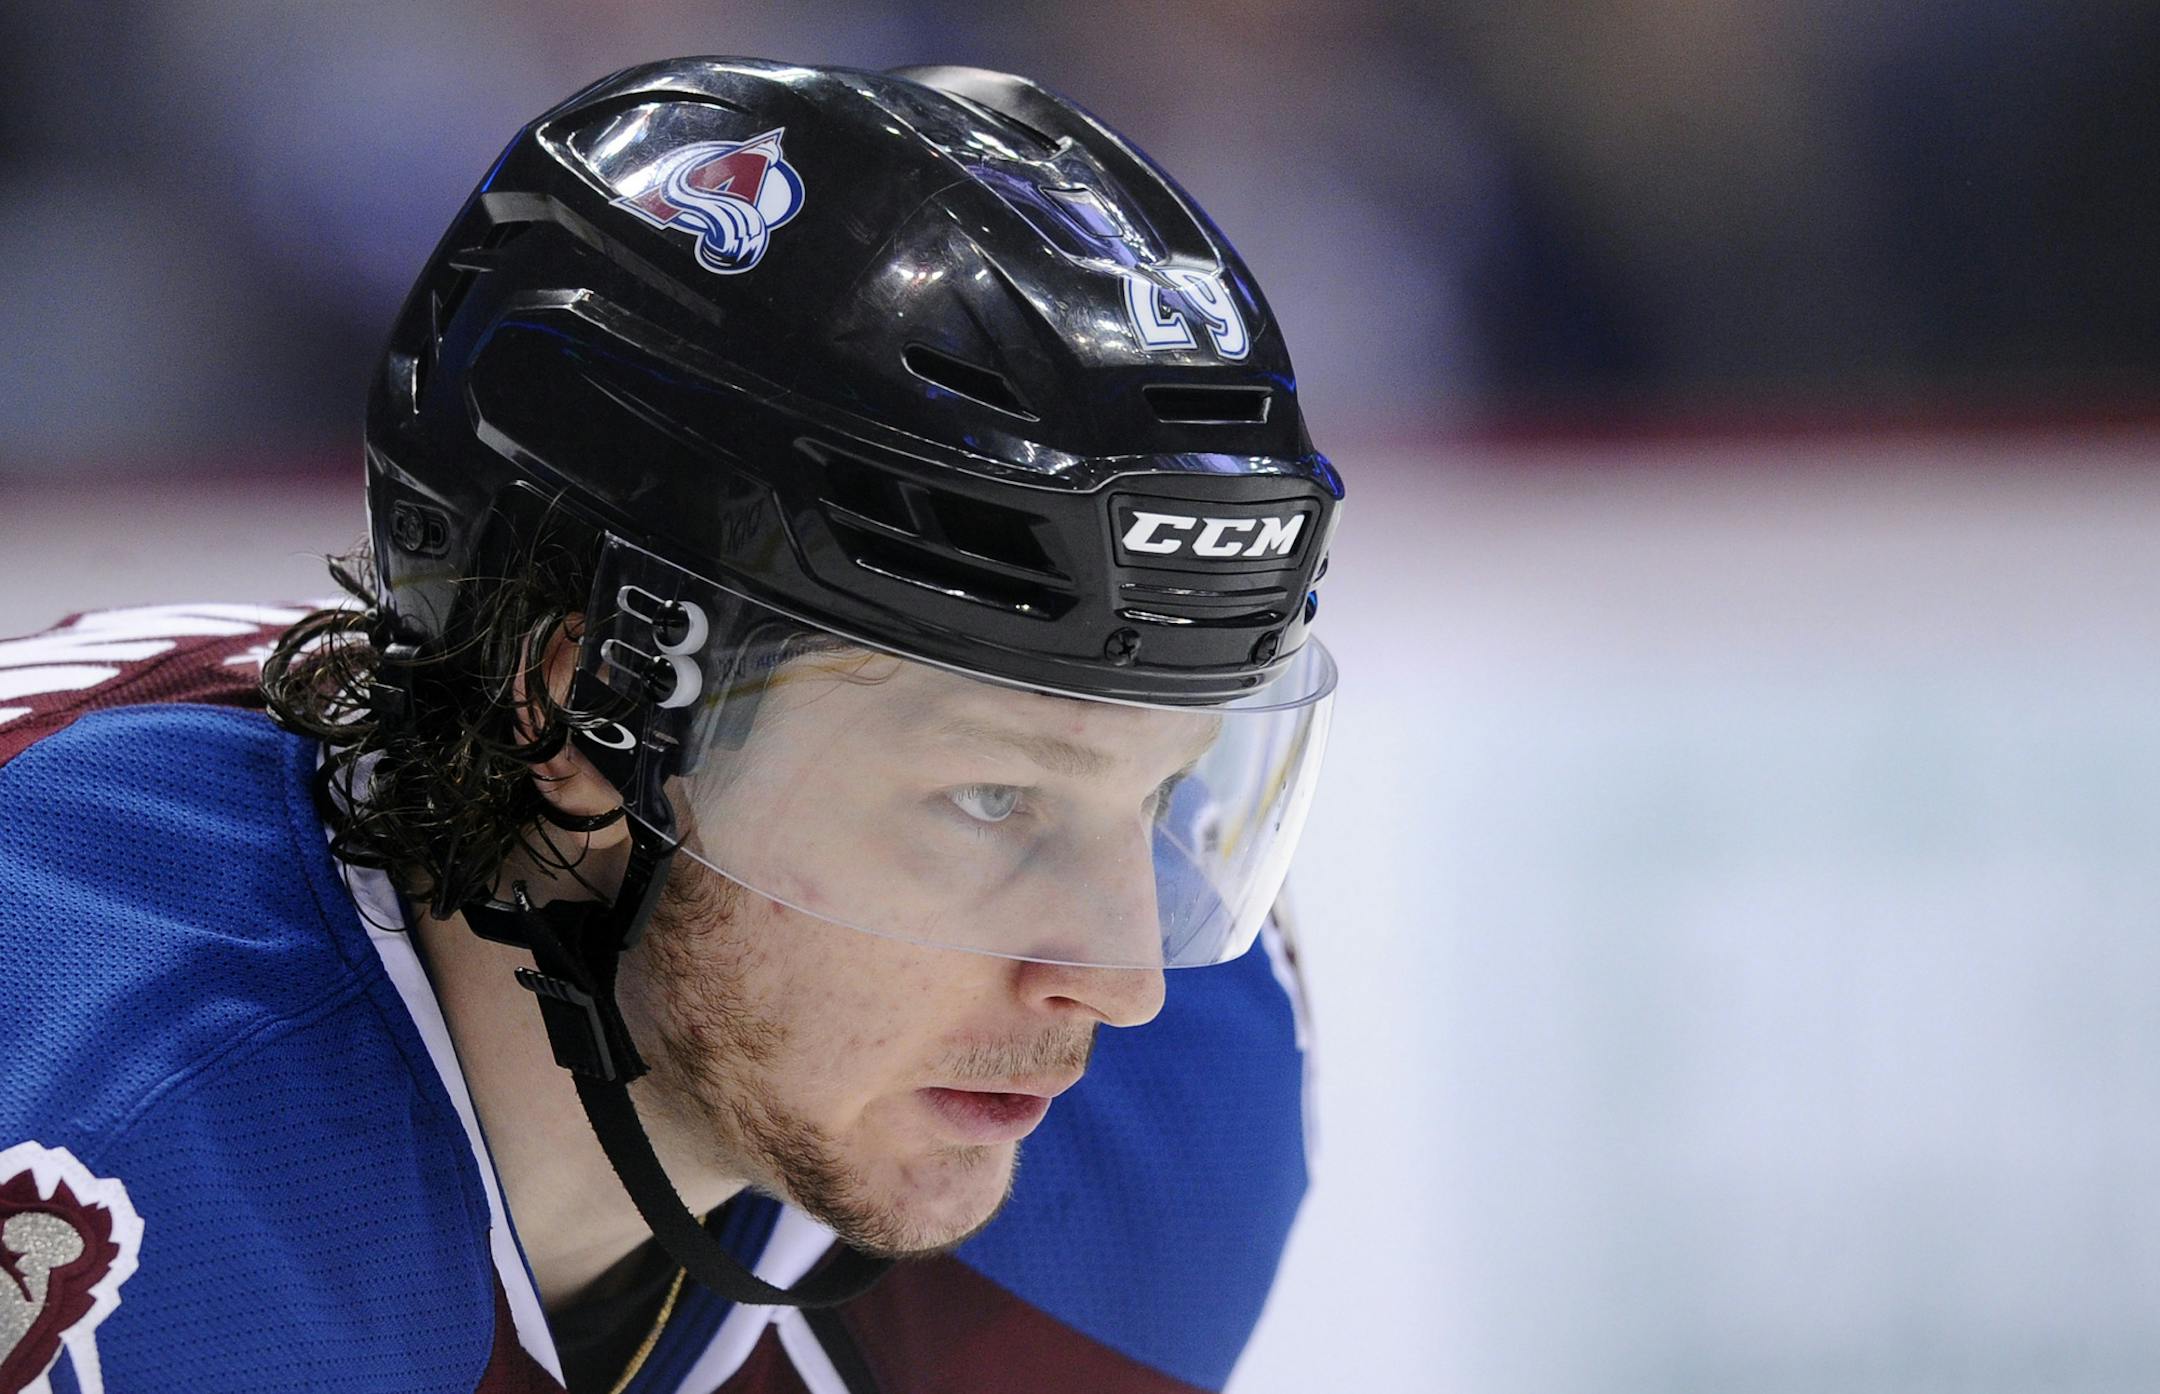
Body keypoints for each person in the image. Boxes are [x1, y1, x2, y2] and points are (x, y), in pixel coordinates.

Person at [0, 57, 1341, 1394]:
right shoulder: (87, 1129)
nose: (1124, 978)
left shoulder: (1163, 1132)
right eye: (994, 798)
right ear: (590, 717)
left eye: (1157, 798)